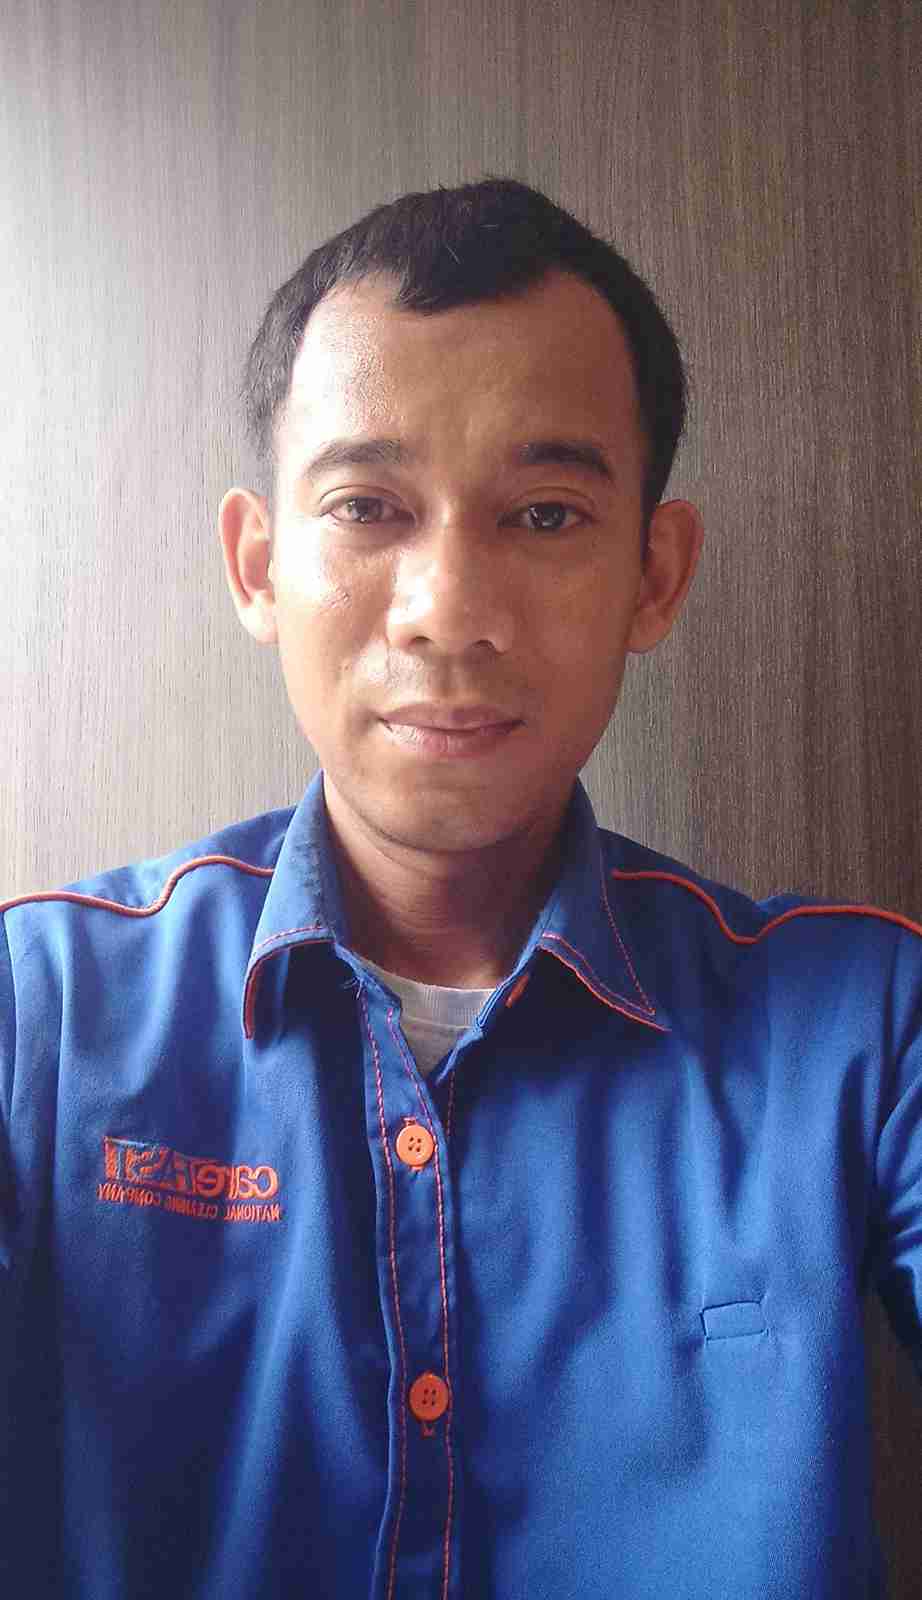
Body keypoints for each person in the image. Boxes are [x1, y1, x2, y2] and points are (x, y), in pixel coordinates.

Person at [1, 176, 919, 1600]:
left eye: (544, 515)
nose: (446, 610)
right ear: (258, 566)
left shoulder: (862, 1024)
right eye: (366, 506)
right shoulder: (40, 1012)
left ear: (654, 574)